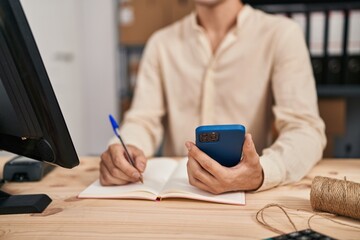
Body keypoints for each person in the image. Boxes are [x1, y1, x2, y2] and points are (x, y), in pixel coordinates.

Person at [99, 0, 326, 193]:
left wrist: (263, 172)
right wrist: (125, 149)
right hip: (179, 195)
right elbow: (142, 121)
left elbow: (305, 129)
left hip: (248, 199)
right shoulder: (161, 43)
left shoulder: (281, 34)